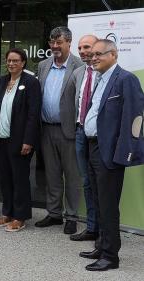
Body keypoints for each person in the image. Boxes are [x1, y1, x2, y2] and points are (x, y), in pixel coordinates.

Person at [79, 39, 144, 271]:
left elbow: (134, 119)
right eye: (92, 54)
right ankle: (101, 245)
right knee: (97, 201)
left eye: (99, 54)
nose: (93, 57)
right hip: (92, 147)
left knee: (108, 205)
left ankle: (110, 256)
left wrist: (124, 154)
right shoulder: (99, 78)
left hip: (110, 153)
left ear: (113, 55)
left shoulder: (126, 79)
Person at [0, 48, 41, 232]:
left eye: (15, 61)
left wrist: (28, 140)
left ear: (23, 63)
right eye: (9, 60)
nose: (11, 64)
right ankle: (7, 212)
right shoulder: (1, 81)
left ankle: (20, 216)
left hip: (20, 140)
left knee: (20, 179)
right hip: (0, 138)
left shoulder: (31, 83)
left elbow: (33, 114)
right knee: (5, 178)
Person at [35, 26, 83, 234]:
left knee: (72, 176)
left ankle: (71, 216)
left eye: (59, 42)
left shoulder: (79, 66)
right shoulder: (43, 65)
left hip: (69, 130)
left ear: (69, 43)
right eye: (52, 43)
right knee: (52, 174)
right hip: (46, 128)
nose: (54, 46)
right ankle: (54, 214)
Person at [70, 35, 100, 241]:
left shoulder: (105, 73)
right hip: (81, 132)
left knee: (101, 184)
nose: (82, 51)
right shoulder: (78, 72)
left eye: (86, 46)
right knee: (88, 182)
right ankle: (92, 228)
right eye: (80, 47)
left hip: (99, 137)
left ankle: (104, 231)